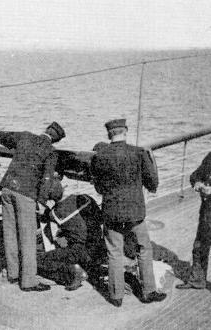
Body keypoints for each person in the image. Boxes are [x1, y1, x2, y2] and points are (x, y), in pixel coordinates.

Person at [90, 118, 166, 307]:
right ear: (126, 131)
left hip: (111, 213)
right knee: (143, 249)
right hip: (135, 212)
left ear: (109, 134)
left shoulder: (99, 156)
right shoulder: (138, 152)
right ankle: (148, 291)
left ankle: (116, 296)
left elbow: (99, 188)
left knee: (114, 252)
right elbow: (152, 183)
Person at [0, 122, 66, 292]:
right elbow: (47, 179)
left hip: (7, 188)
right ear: (56, 140)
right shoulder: (51, 152)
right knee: (27, 239)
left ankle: (13, 273)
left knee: (10, 232)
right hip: (25, 194)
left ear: (45, 130)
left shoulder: (25, 136)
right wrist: (41, 202)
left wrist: (15, 145)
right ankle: (28, 282)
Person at [37, 177, 105, 291]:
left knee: (38, 259)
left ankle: (72, 272)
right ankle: (89, 267)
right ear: (63, 188)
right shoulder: (84, 198)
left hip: (79, 251)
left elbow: (50, 218)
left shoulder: (54, 213)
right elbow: (100, 219)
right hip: (99, 246)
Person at [176, 152, 211, 290]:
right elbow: (196, 174)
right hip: (207, 212)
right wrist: (197, 183)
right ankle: (197, 279)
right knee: (200, 246)